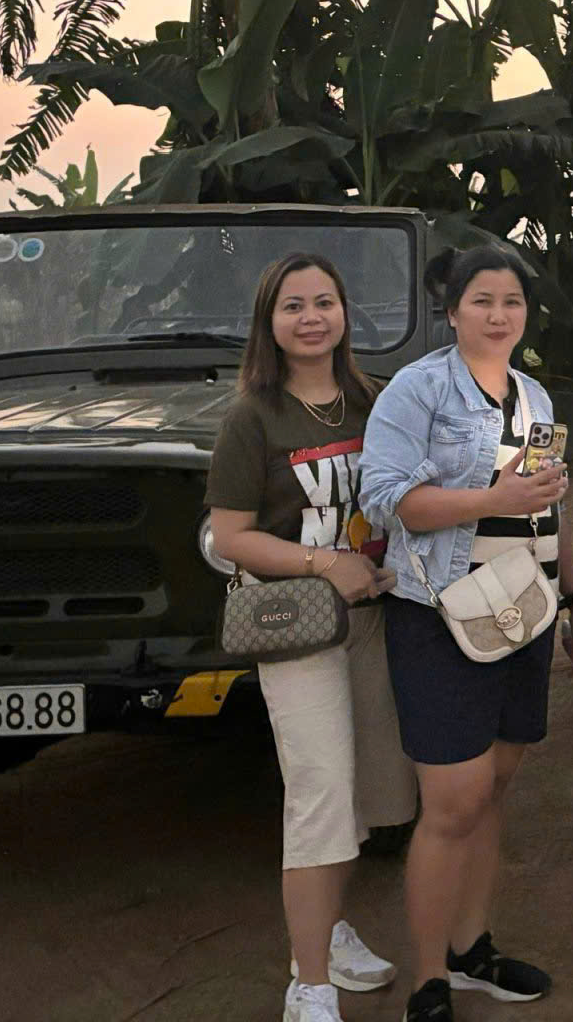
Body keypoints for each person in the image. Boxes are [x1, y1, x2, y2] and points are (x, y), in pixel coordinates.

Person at [359, 244, 573, 1022]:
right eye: (482, 300)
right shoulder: (418, 389)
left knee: (493, 790)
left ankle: (471, 949)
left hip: (523, 610)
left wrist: (572, 600)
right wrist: (491, 497)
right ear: (452, 311)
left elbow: (546, 509)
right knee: (453, 802)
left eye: (511, 302)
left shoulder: (534, 395)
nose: (498, 315)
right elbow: (387, 500)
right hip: (440, 614)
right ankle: (429, 978)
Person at [205, 253, 418, 1022]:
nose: (311, 318)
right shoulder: (252, 418)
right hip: (297, 624)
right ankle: (311, 986)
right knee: (320, 792)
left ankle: (327, 932)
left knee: (360, 792)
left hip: (374, 620)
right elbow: (231, 536)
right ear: (269, 323)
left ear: (344, 314)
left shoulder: (375, 400)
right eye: (292, 306)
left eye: (324, 302)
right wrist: (326, 562)